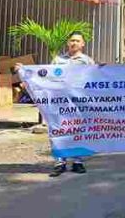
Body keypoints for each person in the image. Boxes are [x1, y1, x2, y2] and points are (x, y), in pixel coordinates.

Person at [16, 31, 94, 177]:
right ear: (67, 43)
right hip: (60, 102)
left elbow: (95, 80)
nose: (74, 43)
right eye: (72, 40)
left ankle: (78, 162)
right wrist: (25, 72)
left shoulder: (88, 62)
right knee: (58, 129)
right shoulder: (58, 60)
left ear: (83, 44)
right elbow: (45, 76)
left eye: (77, 41)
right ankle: (60, 162)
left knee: (78, 131)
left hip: (78, 102)